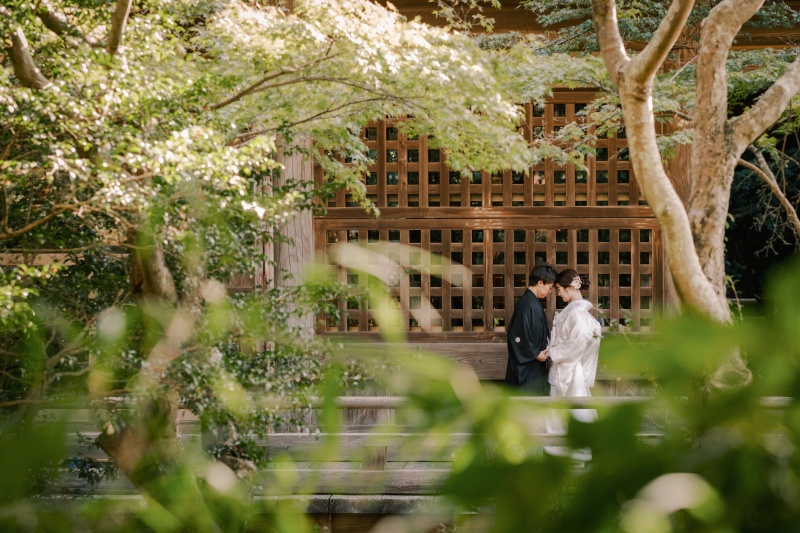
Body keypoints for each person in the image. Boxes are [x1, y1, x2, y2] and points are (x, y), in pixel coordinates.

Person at [545, 268, 602, 460]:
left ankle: (575, 456)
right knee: (566, 412)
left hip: (569, 371)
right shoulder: (576, 313)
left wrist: (553, 352)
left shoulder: (578, 315)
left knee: (572, 411)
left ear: (570, 287)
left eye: (560, 289)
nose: (558, 293)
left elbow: (575, 345)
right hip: (566, 368)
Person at [504, 262, 557, 395]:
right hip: (529, 367)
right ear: (540, 282)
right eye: (549, 287)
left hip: (535, 365)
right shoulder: (527, 304)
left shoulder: (532, 302)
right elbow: (516, 336)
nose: (550, 292)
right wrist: (535, 353)